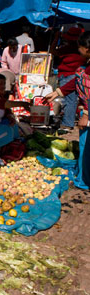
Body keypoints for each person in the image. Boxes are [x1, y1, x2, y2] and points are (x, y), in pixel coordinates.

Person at [45, 31, 90, 189]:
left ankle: (85, 181)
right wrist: (57, 92)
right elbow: (75, 83)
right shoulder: (86, 66)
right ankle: (83, 176)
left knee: (87, 148)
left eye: (80, 47)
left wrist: (86, 114)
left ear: (87, 49)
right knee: (84, 146)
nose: (78, 51)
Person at [50, 27, 85, 129]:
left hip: (67, 76)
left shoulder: (67, 49)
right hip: (71, 76)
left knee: (69, 100)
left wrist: (56, 38)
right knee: (71, 100)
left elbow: (53, 51)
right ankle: (68, 121)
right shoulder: (79, 50)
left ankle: (67, 123)